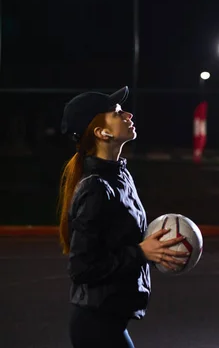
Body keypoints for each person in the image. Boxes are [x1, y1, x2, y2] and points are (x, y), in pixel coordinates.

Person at [58, 86, 188, 348]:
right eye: (117, 113)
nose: (127, 114)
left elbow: (119, 243)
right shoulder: (96, 188)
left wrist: (158, 249)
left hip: (110, 320)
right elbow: (82, 268)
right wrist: (141, 253)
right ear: (101, 132)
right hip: (96, 325)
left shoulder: (120, 175)